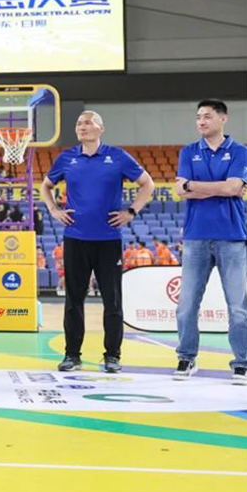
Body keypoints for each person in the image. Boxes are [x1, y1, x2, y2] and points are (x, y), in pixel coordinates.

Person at [41, 111, 154, 374]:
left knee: (112, 302)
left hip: (108, 240)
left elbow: (147, 184)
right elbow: (45, 186)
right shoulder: (67, 158)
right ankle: (72, 355)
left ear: (101, 128)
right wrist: (54, 210)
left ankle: (112, 356)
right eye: (79, 123)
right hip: (75, 239)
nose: (82, 126)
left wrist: (131, 211)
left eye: (88, 122)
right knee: (73, 300)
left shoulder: (118, 156)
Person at [173, 98, 247, 383]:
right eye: (198, 117)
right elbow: (181, 191)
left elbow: (233, 187)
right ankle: (186, 357)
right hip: (195, 237)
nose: (201, 121)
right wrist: (222, 188)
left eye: (206, 116)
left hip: (232, 237)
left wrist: (193, 185)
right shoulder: (188, 151)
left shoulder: (240, 151)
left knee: (237, 307)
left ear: (222, 119)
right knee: (186, 305)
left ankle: (242, 362)